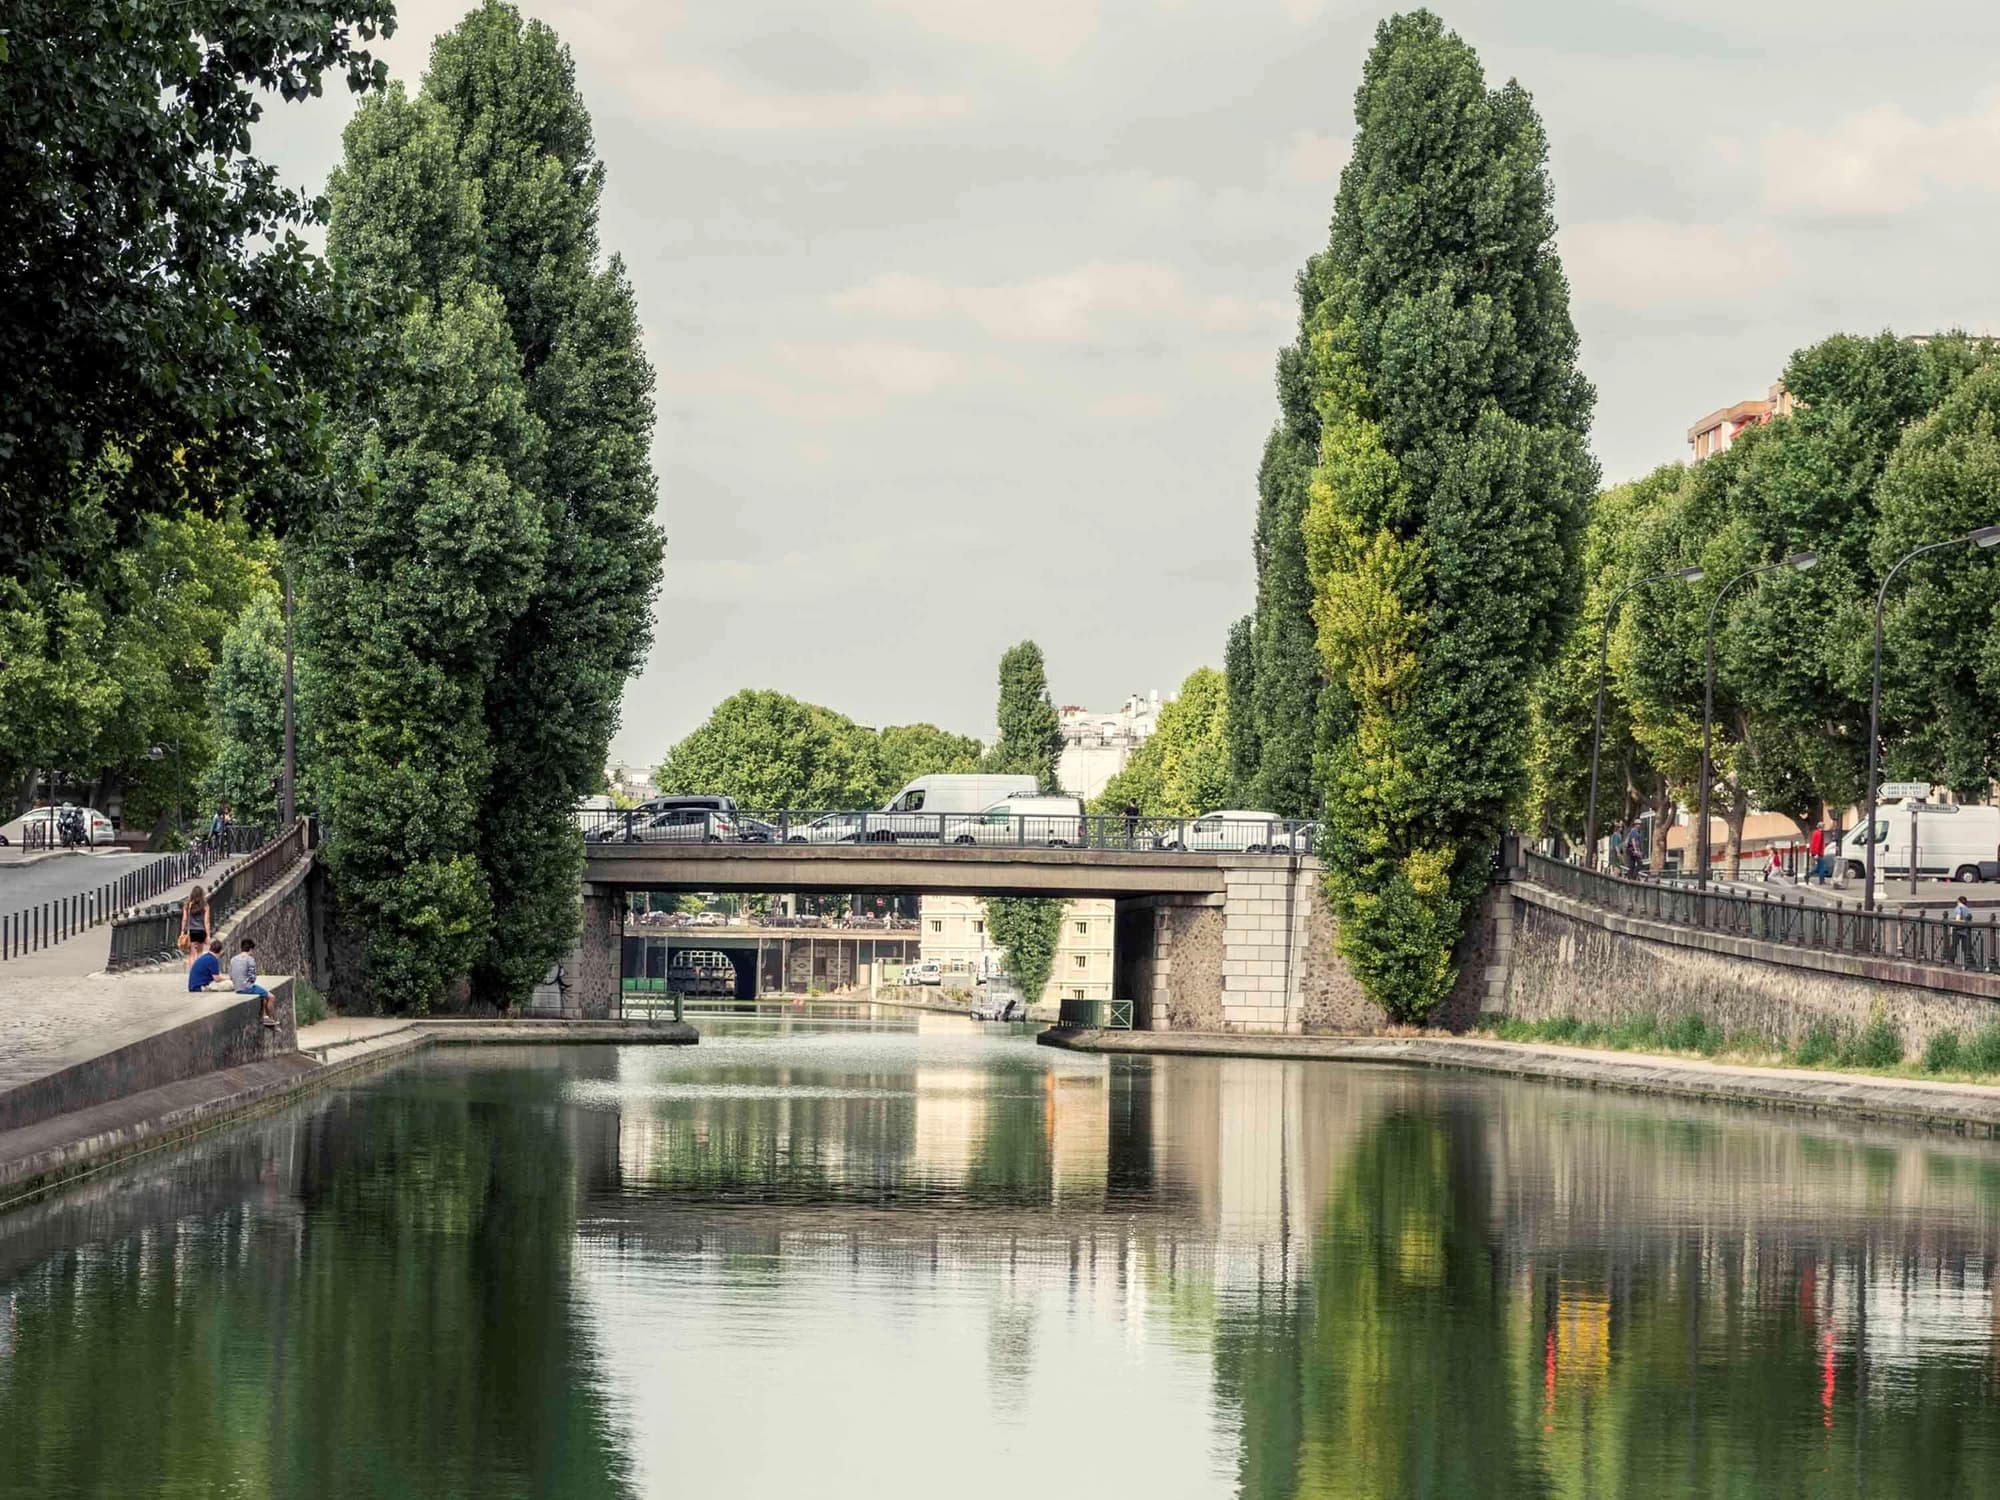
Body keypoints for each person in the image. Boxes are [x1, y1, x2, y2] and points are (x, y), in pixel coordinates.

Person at [229, 937, 276, 1027]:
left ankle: (265, 1016)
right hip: (247, 988)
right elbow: (252, 977)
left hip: (237, 987)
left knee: (262, 995)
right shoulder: (250, 959)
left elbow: (231, 976)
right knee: (271, 997)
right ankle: (271, 1019)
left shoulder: (233, 959)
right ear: (250, 949)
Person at [181, 884, 211, 968]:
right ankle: (199, 970)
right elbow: (207, 921)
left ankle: (192, 972)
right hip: (201, 931)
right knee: (199, 953)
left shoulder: (187, 905)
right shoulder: (205, 905)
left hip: (191, 932)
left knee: (191, 954)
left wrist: (182, 931)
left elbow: (184, 919)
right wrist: (208, 935)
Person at [1951, 894, 1977, 968]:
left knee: (1954, 945)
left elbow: (1958, 917)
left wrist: (1956, 924)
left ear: (1958, 901)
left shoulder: (1958, 908)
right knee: (1966, 947)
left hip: (1957, 930)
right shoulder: (1967, 909)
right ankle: (1970, 961)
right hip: (1966, 930)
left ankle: (1951, 960)